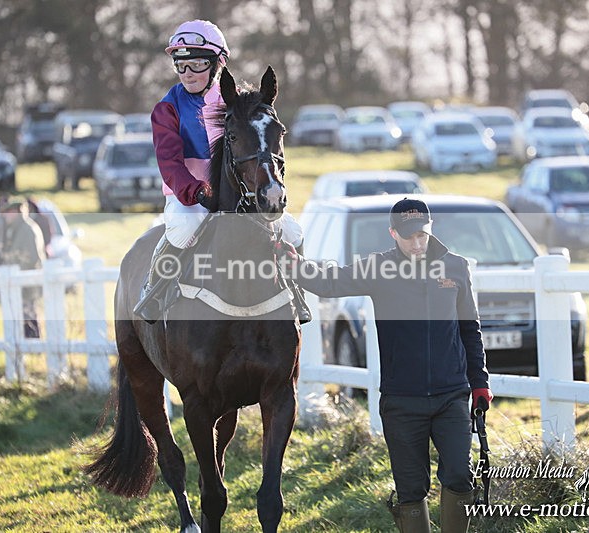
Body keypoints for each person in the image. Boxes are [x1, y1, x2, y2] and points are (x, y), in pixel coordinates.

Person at [277, 198, 493, 532]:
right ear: (393, 233)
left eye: (422, 235)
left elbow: (470, 329)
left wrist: (480, 383)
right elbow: (331, 281)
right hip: (401, 401)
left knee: (460, 477)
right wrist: (294, 264)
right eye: (409, 237)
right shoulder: (378, 268)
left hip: (451, 396)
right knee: (410, 489)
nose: (417, 243)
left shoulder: (456, 267)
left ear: (431, 228)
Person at [133, 19, 309, 323]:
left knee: (293, 231)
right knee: (184, 227)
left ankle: (296, 290)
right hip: (190, 195)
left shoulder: (238, 101)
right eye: (180, 65)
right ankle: (155, 289)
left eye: (198, 64)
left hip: (240, 192)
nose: (188, 73)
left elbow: (262, 144)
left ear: (219, 63)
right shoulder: (167, 108)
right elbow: (169, 163)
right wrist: (197, 191)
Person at [0, 200, 46, 338]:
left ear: (15, 212)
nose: (5, 216)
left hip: (27, 283)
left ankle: (33, 346)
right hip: (22, 282)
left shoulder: (27, 229)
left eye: (8, 213)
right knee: (23, 318)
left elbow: (31, 258)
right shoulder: (18, 229)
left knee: (29, 319)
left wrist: (18, 275)